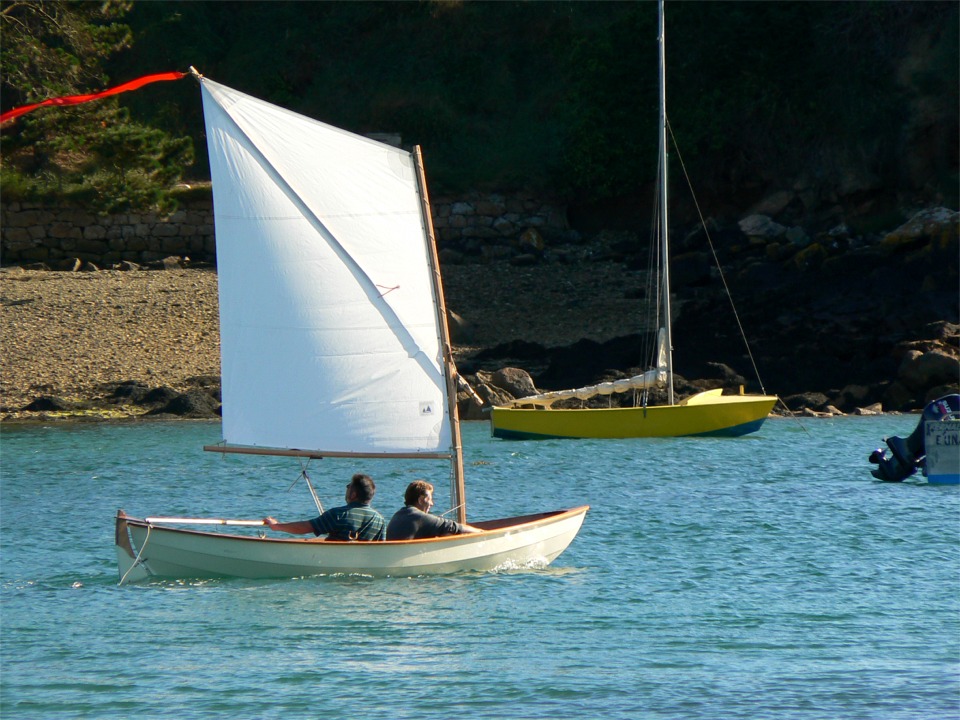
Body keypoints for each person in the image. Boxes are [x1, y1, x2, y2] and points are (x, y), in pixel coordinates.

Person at [263, 473, 386, 541]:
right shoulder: (379, 520)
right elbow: (380, 549)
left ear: (353, 494)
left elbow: (305, 528)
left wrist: (276, 526)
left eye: (348, 486)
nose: (347, 489)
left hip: (335, 563)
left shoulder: (338, 514)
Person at [386, 480, 483, 540]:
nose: (432, 504)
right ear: (420, 500)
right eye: (430, 499)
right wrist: (481, 532)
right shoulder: (418, 517)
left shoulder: (398, 515)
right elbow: (453, 527)